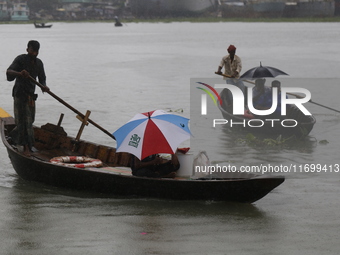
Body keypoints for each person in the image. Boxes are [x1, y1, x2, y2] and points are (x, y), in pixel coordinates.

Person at [6, 40, 49, 156]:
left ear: (38, 52)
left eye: (36, 51)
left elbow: (42, 78)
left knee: (30, 121)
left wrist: (44, 86)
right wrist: (19, 73)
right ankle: (26, 147)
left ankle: (13, 136)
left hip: (30, 96)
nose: (34, 53)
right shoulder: (20, 59)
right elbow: (9, 72)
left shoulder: (39, 63)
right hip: (20, 94)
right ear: (27, 50)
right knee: (23, 122)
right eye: (32, 51)